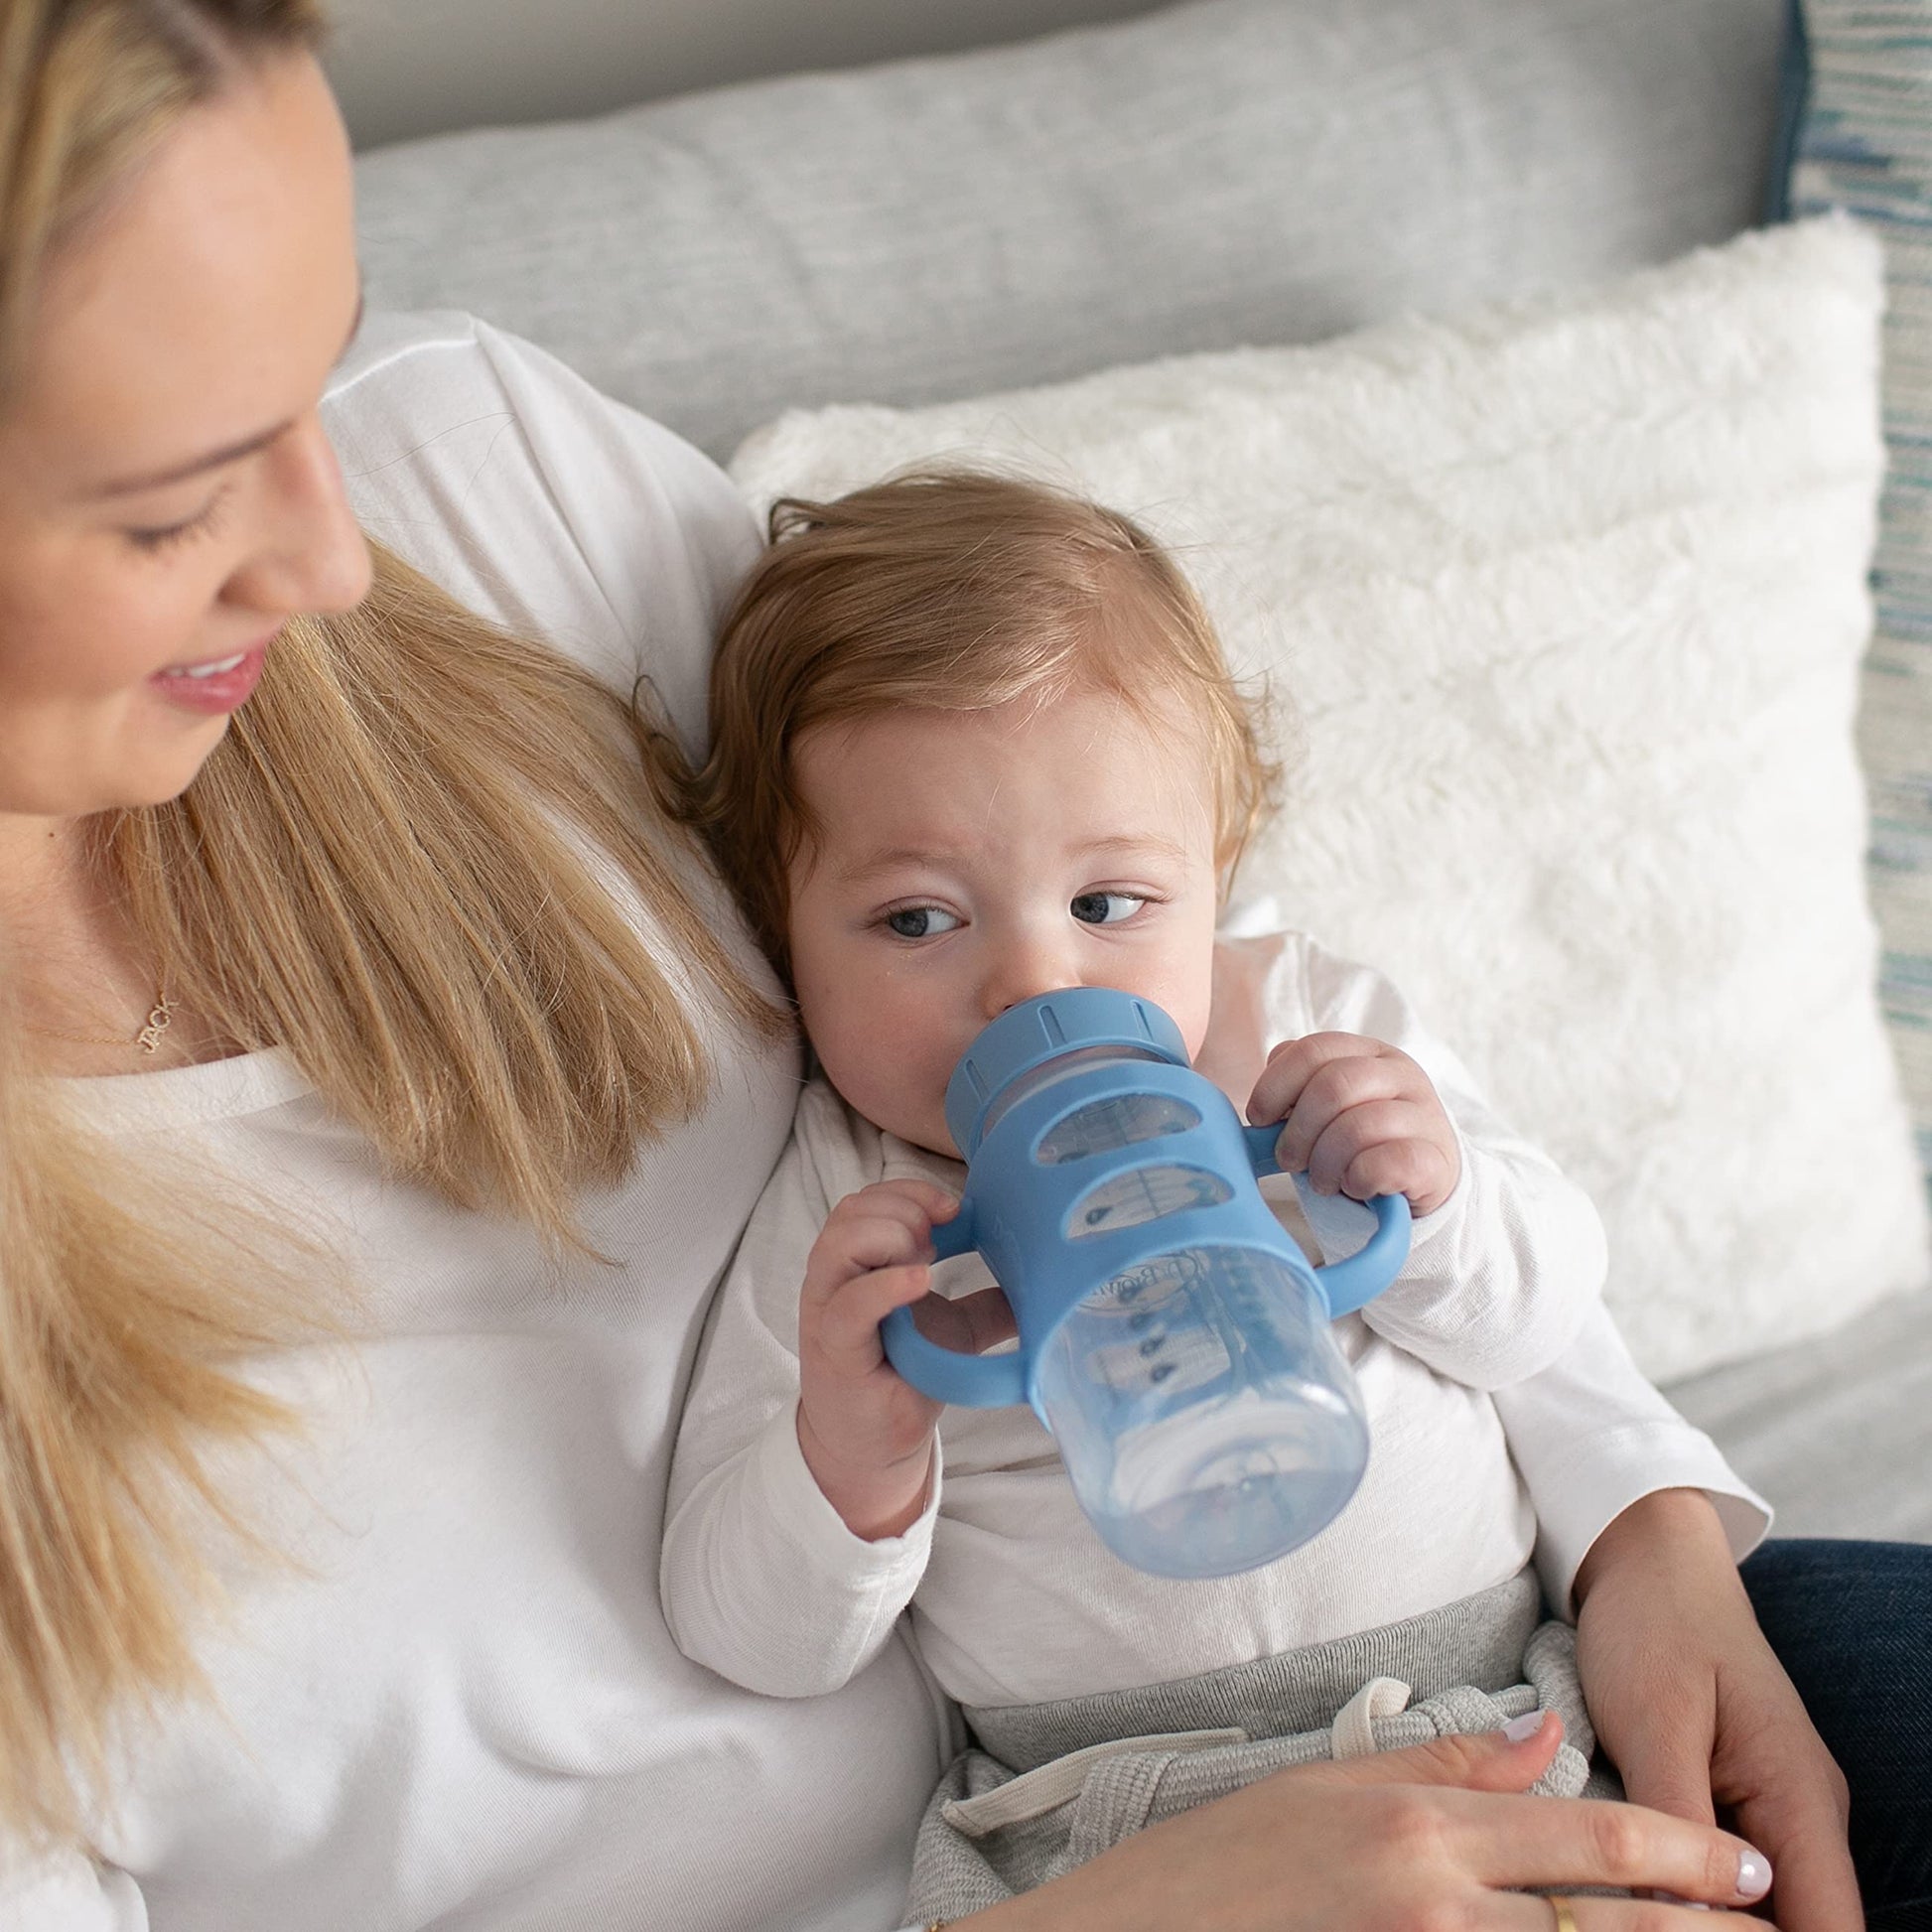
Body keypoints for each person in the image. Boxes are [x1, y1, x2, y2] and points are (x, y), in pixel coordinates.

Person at [0, 1, 1918, 1927]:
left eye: (306, 386)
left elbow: (1063, 831)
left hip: (1526, 1683)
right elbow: (757, 1591)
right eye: (173, 493)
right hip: (1062, 1840)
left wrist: (1648, 1523)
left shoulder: (479, 486)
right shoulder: (844, 1248)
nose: (339, 563)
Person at [646, 472, 1756, 1917]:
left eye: (1109, 904)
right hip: (1107, 1827)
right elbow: (744, 1633)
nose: (1032, 982)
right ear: (779, 935)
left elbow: (1542, 1313)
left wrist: (1442, 1199)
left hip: (1493, 1723)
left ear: (1214, 869)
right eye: (915, 917)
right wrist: (845, 1460)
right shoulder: (850, 1217)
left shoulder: (1308, 1036)